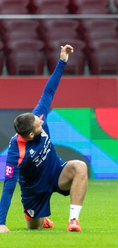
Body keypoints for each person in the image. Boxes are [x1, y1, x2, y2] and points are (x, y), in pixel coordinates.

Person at [0, 45, 88, 233]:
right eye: (37, 124)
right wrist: (0, 223)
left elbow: (48, 92)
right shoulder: (16, 152)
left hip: (56, 172)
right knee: (35, 229)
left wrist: (62, 61)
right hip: (34, 191)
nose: (40, 120)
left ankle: (73, 220)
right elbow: (8, 187)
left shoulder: (38, 116)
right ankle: (41, 218)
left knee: (80, 166)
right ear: (31, 134)